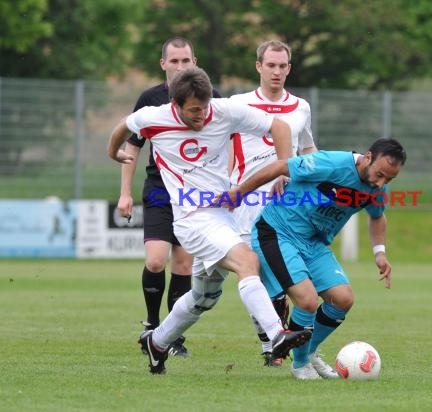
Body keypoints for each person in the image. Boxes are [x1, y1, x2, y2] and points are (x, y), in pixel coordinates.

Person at [107, 66, 312, 375]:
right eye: (193, 111)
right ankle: (275, 336)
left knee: (204, 297)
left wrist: (283, 169)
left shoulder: (223, 111)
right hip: (192, 218)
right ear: (175, 105)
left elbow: (280, 127)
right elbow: (124, 126)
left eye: (204, 108)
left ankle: (158, 342)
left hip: (223, 216)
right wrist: (114, 152)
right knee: (247, 261)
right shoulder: (155, 117)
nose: (201, 115)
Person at [219, 138, 407, 379]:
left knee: (343, 299)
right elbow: (280, 167)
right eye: (380, 174)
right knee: (306, 301)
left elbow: (377, 215)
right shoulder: (331, 163)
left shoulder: (377, 188)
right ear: (368, 157)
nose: (381, 182)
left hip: (313, 243)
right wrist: (238, 193)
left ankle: (308, 352)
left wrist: (379, 252)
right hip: (278, 232)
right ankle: (300, 365)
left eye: (389, 179)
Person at [116, 37, 221, 357]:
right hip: (160, 188)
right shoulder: (150, 99)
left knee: (184, 263)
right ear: (163, 64)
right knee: (155, 259)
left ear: (195, 62)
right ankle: (151, 324)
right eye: (173, 61)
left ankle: (173, 337)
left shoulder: (211, 98)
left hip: (194, 193)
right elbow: (132, 146)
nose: (179, 66)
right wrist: (125, 194)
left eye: (185, 61)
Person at [229, 40, 317, 367]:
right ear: (259, 67)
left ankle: (273, 348)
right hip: (244, 204)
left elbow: (307, 149)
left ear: (289, 68)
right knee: (252, 274)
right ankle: (271, 342)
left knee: (276, 275)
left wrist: (312, 179)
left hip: (286, 204)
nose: (277, 71)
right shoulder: (238, 104)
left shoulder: (301, 107)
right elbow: (219, 145)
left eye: (282, 66)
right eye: (271, 65)